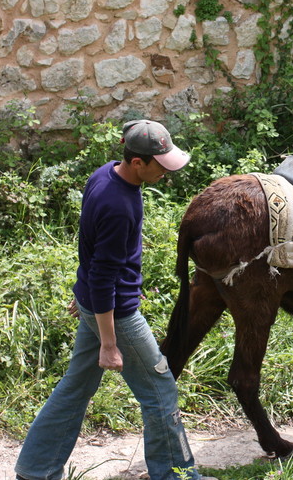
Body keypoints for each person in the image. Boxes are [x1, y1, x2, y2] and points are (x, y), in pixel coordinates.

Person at [15, 120, 206, 480]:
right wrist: (108, 342)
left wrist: (82, 293)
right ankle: (176, 475)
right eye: (160, 165)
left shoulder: (104, 175)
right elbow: (104, 274)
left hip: (96, 302)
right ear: (138, 163)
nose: (166, 173)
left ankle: (35, 471)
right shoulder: (120, 206)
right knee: (160, 388)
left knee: (76, 386)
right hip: (116, 313)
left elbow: (89, 247)